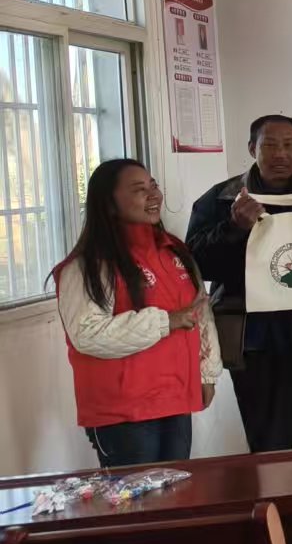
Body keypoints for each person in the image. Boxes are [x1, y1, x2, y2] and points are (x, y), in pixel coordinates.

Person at [187, 114, 292, 453]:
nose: (280, 154)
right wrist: (233, 228)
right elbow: (194, 265)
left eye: (288, 145)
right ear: (251, 148)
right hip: (255, 339)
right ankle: (273, 490)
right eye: (269, 145)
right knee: (268, 443)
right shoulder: (222, 198)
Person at [54, 160, 220, 468]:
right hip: (123, 412)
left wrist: (207, 374)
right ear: (109, 203)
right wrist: (165, 321)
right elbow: (87, 333)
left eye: (153, 185)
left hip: (175, 400)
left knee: (177, 493)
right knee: (137, 497)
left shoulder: (174, 250)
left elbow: (201, 313)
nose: (153, 195)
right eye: (138, 189)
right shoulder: (88, 264)